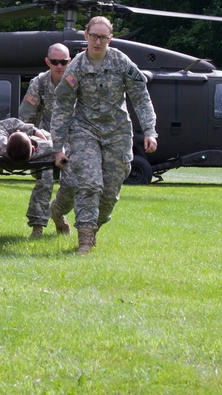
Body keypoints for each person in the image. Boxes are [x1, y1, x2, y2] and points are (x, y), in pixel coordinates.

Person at [50, 16, 158, 255]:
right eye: (93, 36)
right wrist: (57, 146)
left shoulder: (121, 62)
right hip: (84, 130)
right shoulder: (76, 67)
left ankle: (90, 225)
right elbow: (63, 106)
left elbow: (141, 97)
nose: (97, 41)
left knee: (109, 192)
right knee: (90, 183)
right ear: (85, 36)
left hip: (117, 132)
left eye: (103, 37)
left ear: (110, 38)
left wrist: (149, 131)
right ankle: (85, 241)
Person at [18, 43, 71, 238]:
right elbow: (24, 118)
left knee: (72, 183)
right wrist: (34, 134)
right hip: (46, 141)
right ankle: (37, 227)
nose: (59, 66)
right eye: (55, 62)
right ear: (47, 62)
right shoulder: (39, 83)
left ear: (69, 61)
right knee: (46, 179)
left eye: (63, 62)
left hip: (74, 140)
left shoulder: (77, 81)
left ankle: (57, 213)